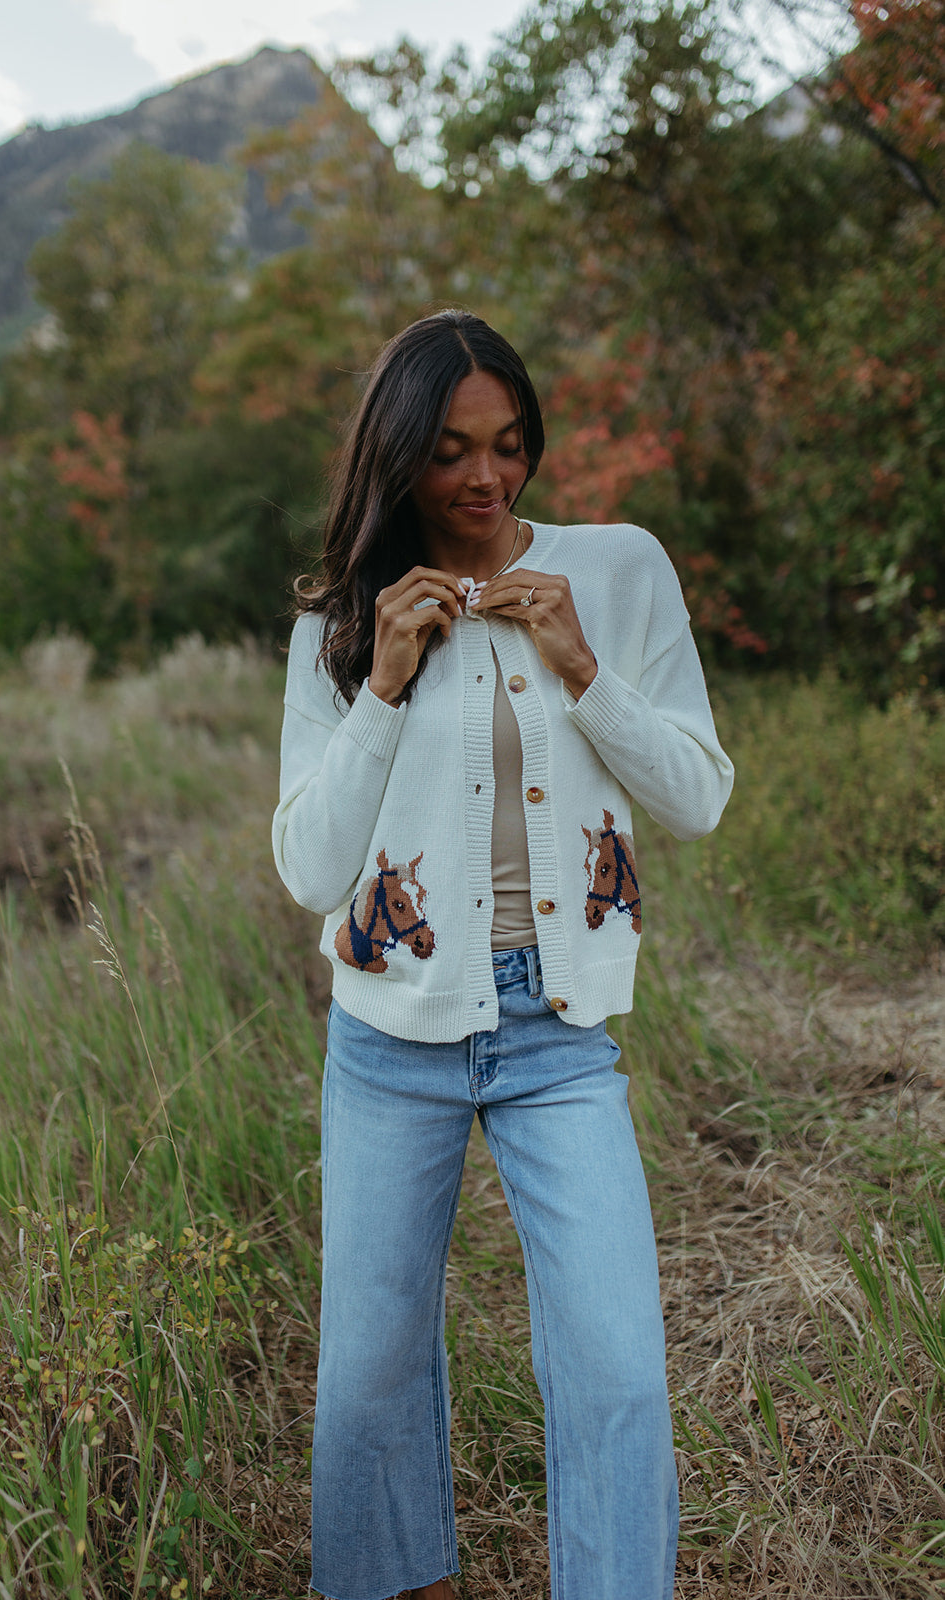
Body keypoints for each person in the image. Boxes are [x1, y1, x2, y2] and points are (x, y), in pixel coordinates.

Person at [272, 309, 734, 1600]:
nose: (487, 476)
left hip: (558, 1033)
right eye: (451, 452)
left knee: (618, 1368)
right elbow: (308, 869)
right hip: (390, 1036)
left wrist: (584, 669)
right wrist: (382, 687)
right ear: (399, 458)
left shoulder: (620, 571)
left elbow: (698, 797)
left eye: (510, 443)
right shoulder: (338, 627)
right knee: (368, 1379)